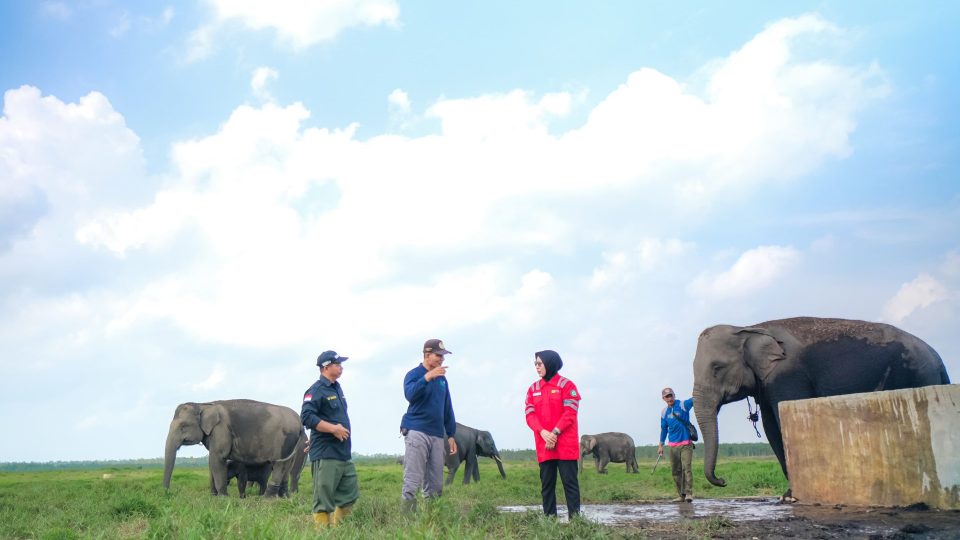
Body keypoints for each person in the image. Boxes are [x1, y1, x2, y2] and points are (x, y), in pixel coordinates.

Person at [301, 350, 359, 528]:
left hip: (343, 452)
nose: (341, 367)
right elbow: (307, 417)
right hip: (326, 453)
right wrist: (333, 429)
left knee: (349, 494)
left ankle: (340, 532)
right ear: (326, 367)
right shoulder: (316, 390)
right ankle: (323, 534)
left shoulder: (337, 388)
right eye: (337, 364)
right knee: (323, 499)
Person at [399, 338, 458, 513]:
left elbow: (447, 407)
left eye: (443, 356)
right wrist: (427, 377)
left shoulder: (442, 380)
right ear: (427, 355)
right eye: (438, 355)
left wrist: (451, 434)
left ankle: (432, 519)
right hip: (417, 431)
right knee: (412, 480)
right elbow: (410, 395)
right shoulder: (414, 374)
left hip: (437, 434)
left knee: (436, 484)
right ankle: (407, 520)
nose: (442, 359)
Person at [524, 350, 581, 518]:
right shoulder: (533, 389)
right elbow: (530, 415)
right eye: (535, 364)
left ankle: (576, 522)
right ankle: (549, 521)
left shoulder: (567, 385)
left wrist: (554, 433)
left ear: (550, 363)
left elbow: (570, 412)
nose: (536, 367)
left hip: (565, 445)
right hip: (544, 445)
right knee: (547, 485)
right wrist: (543, 432)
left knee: (570, 484)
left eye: (539, 364)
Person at [658, 387, 695, 503]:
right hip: (673, 445)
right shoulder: (664, 412)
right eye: (667, 396)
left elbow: (694, 399)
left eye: (671, 395)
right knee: (675, 471)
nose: (669, 398)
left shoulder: (683, 405)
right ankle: (681, 495)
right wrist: (660, 445)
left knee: (686, 468)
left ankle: (689, 494)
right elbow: (664, 429)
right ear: (663, 398)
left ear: (674, 395)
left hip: (686, 444)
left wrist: (695, 393)